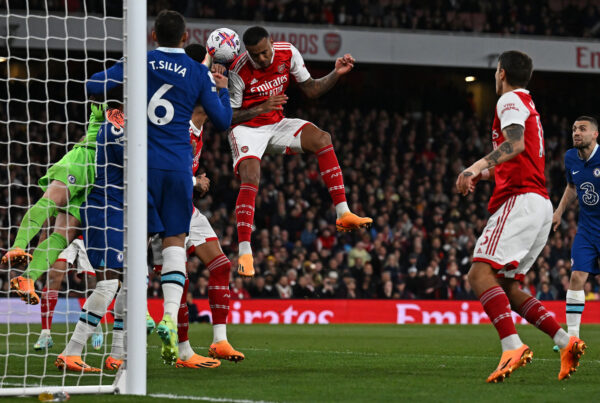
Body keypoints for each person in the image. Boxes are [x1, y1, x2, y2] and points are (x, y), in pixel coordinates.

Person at [89, 10, 232, 364]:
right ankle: (169, 314)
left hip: (140, 167)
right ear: (185, 38)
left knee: (137, 251)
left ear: (153, 35)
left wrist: (125, 76)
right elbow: (223, 120)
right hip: (176, 168)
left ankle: (127, 337)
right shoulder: (199, 72)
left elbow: (93, 86)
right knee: (174, 244)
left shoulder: (141, 61)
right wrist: (221, 89)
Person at [455, 50, 585, 383]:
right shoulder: (528, 104)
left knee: (479, 274)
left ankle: (512, 346)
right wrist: (482, 176)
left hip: (521, 200)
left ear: (500, 73)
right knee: (510, 287)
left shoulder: (509, 100)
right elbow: (516, 156)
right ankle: (565, 341)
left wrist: (475, 166)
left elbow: (513, 146)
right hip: (538, 201)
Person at [227, 26, 372, 277]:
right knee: (251, 175)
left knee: (322, 138)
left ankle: (343, 213)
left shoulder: (288, 53)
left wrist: (335, 73)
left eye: (263, 52)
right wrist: (261, 108)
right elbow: (228, 116)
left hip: (276, 124)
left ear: (272, 43)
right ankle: (245, 251)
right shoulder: (238, 70)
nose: (260, 59)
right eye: (254, 55)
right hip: (247, 128)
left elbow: (312, 90)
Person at [5, 103, 105, 305]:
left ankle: (27, 278)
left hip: (101, 175)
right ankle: (17, 247)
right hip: (85, 157)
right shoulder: (111, 93)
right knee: (49, 202)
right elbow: (95, 88)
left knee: (63, 235)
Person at [55, 101, 127, 372]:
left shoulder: (121, 122)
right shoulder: (116, 123)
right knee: (109, 283)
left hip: (119, 209)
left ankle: (117, 353)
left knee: (127, 283)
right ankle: (71, 352)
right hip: (106, 209)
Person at [552, 116, 600, 341]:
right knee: (577, 277)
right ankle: (572, 339)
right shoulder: (570, 157)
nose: (576, 133)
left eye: (582, 129)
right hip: (587, 230)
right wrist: (559, 211)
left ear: (595, 134)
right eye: (574, 129)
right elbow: (572, 186)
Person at [33, 236, 104, 351]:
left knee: (90, 282)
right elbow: (48, 222)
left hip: (87, 235)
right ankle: (45, 334)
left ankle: (95, 324)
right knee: (53, 277)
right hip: (65, 236)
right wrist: (41, 244)